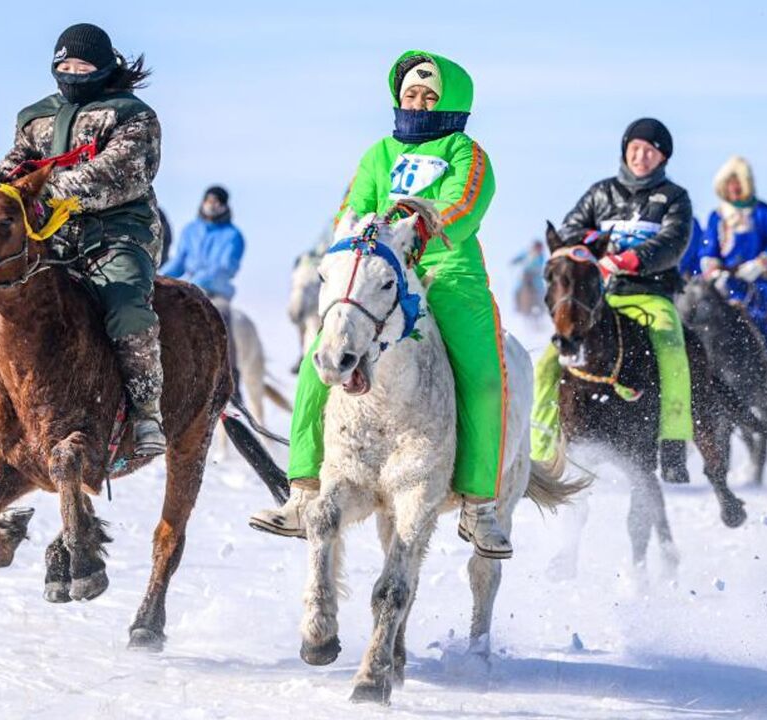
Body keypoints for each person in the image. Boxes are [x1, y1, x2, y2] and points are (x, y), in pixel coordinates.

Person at [248, 51, 512, 558]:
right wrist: (371, 238)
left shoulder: (465, 151)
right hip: (379, 270)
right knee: (319, 363)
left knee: (482, 377)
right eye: (411, 94)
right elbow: (351, 211)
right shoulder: (379, 153)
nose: (419, 103)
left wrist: (421, 222)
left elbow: (464, 205)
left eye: (430, 96)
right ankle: (303, 493)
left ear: (452, 102)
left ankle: (480, 506)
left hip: (447, 269)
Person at [0, 23, 167, 457]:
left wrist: (43, 192)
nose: (73, 73)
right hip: (49, 235)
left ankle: (145, 412)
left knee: (125, 304)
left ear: (104, 68)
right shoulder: (34, 117)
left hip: (116, 234)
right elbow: (14, 169)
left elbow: (120, 174)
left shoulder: (133, 116)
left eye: (83, 67)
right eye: (66, 66)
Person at [532, 118, 695, 484]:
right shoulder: (600, 193)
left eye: (650, 151)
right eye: (635, 149)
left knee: (671, 345)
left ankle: (673, 443)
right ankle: (540, 453)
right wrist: (588, 245)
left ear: (663, 158)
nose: (640, 156)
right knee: (546, 365)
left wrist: (630, 259)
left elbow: (673, 242)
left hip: (650, 295)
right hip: (599, 297)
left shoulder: (674, 198)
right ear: (624, 150)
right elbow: (571, 230)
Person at [700, 156, 767, 368]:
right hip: (726, 282)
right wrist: (714, 270)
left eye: (738, 183)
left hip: (761, 281)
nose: (734, 188)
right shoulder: (717, 217)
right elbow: (708, 248)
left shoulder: (763, 212)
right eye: (730, 183)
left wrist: (759, 265)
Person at [161, 185, 246, 314]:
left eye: (216, 202)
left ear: (224, 206)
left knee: (219, 312)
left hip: (215, 292)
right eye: (208, 201)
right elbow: (179, 262)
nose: (211, 205)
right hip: (187, 288)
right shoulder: (190, 229)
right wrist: (160, 276)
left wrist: (197, 282)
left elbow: (225, 267)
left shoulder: (233, 235)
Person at [511, 239, 546, 313]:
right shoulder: (527, 253)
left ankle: (541, 307)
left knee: (540, 290)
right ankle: (517, 306)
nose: (538, 249)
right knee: (517, 288)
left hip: (535, 276)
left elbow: (539, 265)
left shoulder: (541, 256)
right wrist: (514, 261)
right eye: (536, 247)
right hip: (525, 275)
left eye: (539, 248)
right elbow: (520, 257)